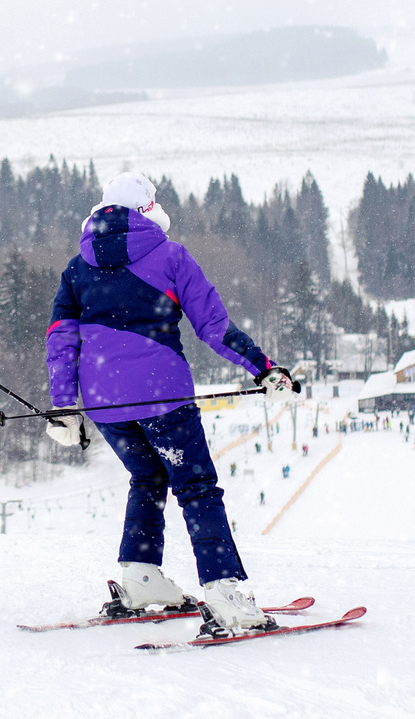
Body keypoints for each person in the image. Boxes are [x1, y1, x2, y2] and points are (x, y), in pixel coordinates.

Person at [45, 172, 296, 636]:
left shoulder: (76, 269)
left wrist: (64, 405)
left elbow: (61, 340)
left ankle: (141, 579)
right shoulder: (171, 255)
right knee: (197, 486)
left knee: (148, 475)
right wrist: (264, 367)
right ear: (147, 211)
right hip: (163, 396)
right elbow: (213, 326)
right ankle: (225, 596)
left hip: (104, 405)